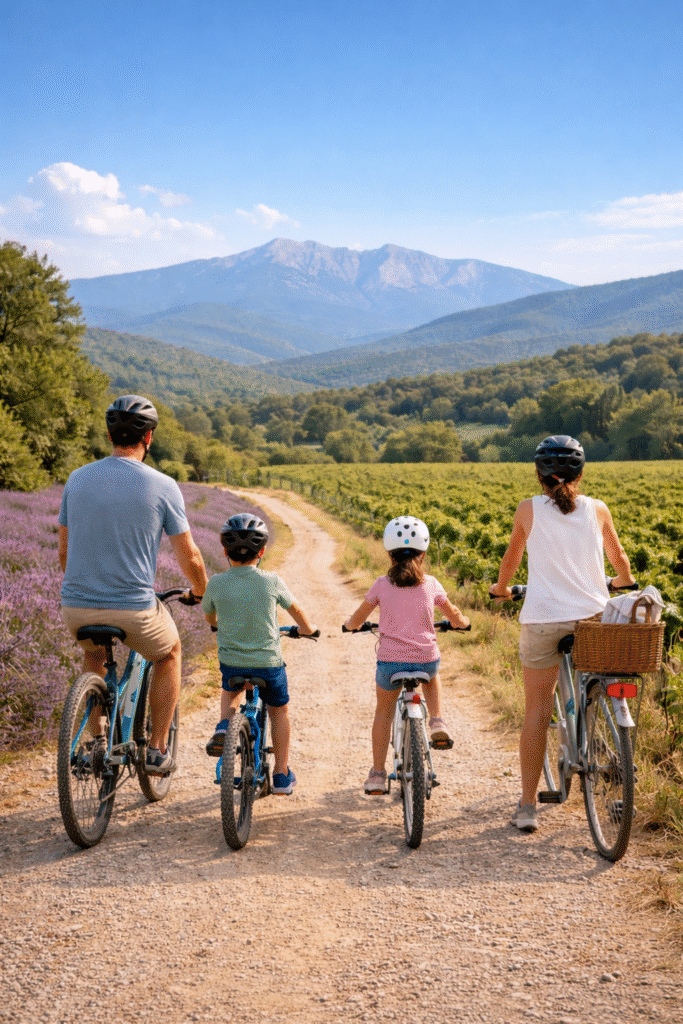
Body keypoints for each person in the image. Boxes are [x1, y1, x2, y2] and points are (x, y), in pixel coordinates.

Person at [489, 435, 635, 832]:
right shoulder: (597, 509)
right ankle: (597, 731)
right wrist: (623, 580)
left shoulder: (527, 509)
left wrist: (502, 589)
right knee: (596, 677)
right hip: (593, 618)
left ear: (538, 476)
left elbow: (512, 558)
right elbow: (619, 559)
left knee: (537, 710)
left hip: (543, 620)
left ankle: (527, 805)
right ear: (581, 474)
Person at [59, 395, 208, 775]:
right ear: (149, 437)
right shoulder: (162, 485)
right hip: (133, 608)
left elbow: (64, 552)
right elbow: (189, 556)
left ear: (110, 434)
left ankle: (94, 741)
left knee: (93, 654)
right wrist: (202, 591)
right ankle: (158, 748)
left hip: (75, 606)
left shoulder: (77, 478)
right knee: (170, 652)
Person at [344, 516, 470, 795]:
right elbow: (454, 615)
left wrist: (350, 626)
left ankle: (378, 774)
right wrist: (463, 622)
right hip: (425, 659)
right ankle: (436, 719)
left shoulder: (381, 584)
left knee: (383, 713)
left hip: (390, 663)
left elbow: (357, 618)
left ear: (389, 554)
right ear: (423, 554)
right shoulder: (432, 584)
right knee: (432, 674)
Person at [202, 513, 317, 795]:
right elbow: (297, 610)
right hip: (268, 664)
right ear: (262, 551)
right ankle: (280, 775)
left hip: (232, 662)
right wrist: (307, 629)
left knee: (231, 691)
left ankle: (224, 726)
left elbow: (209, 616)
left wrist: (219, 624)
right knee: (279, 711)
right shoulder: (272, 581)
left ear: (224, 550)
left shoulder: (216, 583)